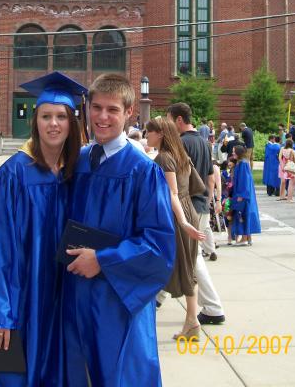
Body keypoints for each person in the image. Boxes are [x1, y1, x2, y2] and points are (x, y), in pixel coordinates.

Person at [0, 72, 86, 386]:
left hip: (57, 301)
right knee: (8, 374)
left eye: (61, 116)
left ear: (72, 123)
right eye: (45, 116)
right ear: (35, 120)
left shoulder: (75, 174)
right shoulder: (13, 176)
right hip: (18, 299)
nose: (53, 124)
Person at [62, 74, 175, 386]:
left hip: (117, 303)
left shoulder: (143, 172)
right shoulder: (78, 162)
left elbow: (159, 246)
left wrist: (103, 260)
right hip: (73, 296)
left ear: (129, 112)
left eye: (112, 109)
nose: (101, 117)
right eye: (96, 107)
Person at [146, 116, 205, 340]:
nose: (146, 135)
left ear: (160, 133)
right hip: (188, 209)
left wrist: (182, 221)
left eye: (149, 132)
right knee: (188, 267)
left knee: (180, 267)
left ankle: (191, 321)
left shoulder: (163, 158)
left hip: (177, 214)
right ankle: (191, 321)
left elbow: (171, 193)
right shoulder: (181, 156)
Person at [167, 102, 226, 326]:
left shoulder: (180, 144)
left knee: (194, 257)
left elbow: (175, 182)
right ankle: (159, 297)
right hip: (200, 205)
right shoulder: (203, 142)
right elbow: (210, 177)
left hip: (186, 206)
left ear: (179, 121)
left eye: (170, 120)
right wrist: (209, 202)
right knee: (185, 254)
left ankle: (212, 307)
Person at [231, 146, 261, 245]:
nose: (233, 153)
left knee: (243, 214)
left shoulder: (243, 164)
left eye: (234, 152)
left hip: (243, 194)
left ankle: (244, 238)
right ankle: (248, 238)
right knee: (245, 213)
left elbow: (245, 180)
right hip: (243, 193)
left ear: (238, 153)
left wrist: (241, 195)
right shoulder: (241, 163)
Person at [277, 138, 295, 202]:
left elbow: (279, 158)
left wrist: (282, 165)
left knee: (283, 181)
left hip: (283, 166)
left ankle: (282, 196)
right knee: (291, 182)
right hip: (289, 167)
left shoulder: (282, 149)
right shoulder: (292, 151)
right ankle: (287, 197)